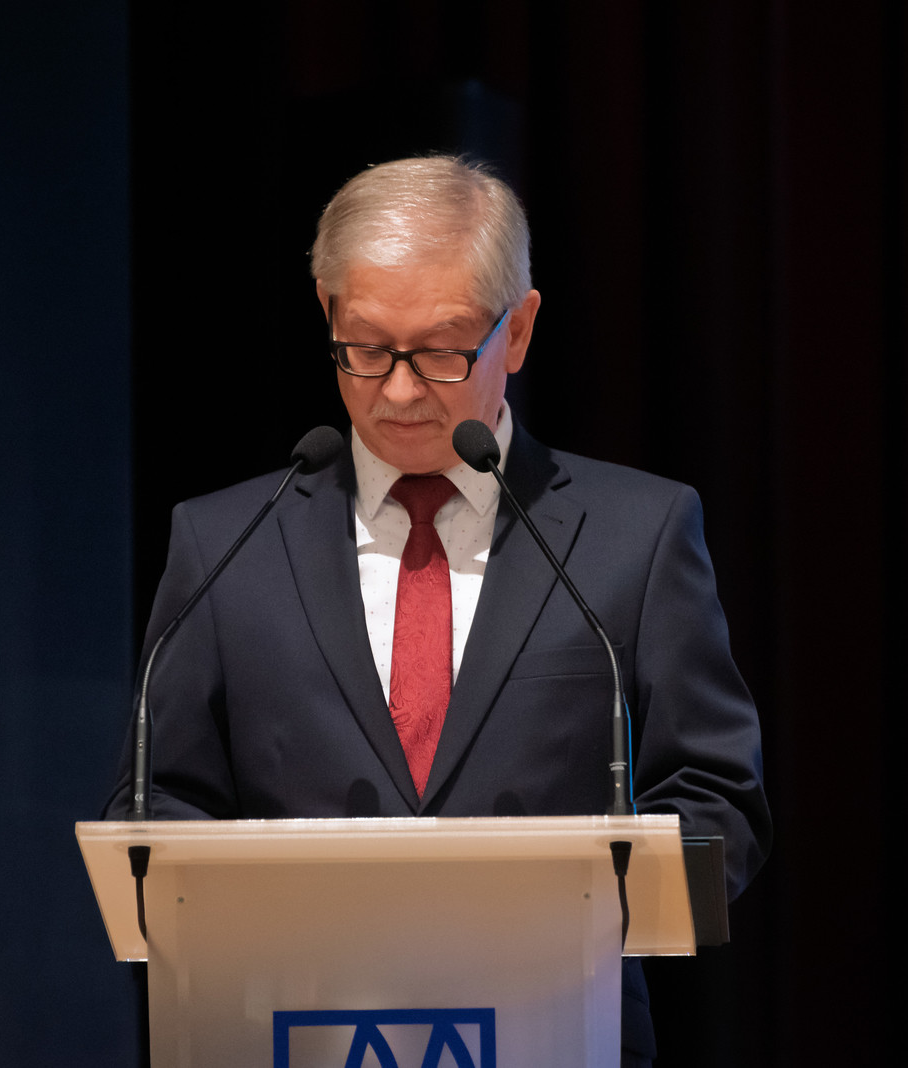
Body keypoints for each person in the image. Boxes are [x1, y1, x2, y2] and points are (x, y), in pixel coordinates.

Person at [105, 155, 770, 1067]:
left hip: (555, 1031)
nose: (400, 390)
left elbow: (719, 800)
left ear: (519, 330)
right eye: (367, 348)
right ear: (326, 313)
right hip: (293, 1032)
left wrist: (572, 904)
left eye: (443, 350)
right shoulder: (225, 543)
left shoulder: (638, 537)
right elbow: (155, 804)